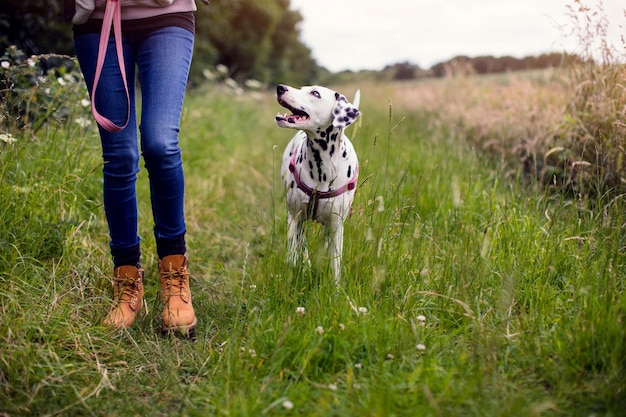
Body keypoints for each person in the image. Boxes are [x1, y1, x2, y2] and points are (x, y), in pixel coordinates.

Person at [64, 0, 207, 336]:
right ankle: (126, 279)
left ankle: (174, 276)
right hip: (97, 22)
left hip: (166, 16)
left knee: (160, 143)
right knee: (119, 155)